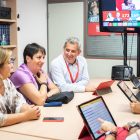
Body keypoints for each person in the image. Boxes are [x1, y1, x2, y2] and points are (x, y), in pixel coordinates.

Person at [0, 47, 41, 127]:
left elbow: (19, 102)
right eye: (9, 63)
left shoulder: (7, 82)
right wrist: (26, 115)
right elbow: (0, 119)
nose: (12, 66)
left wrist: (30, 110)